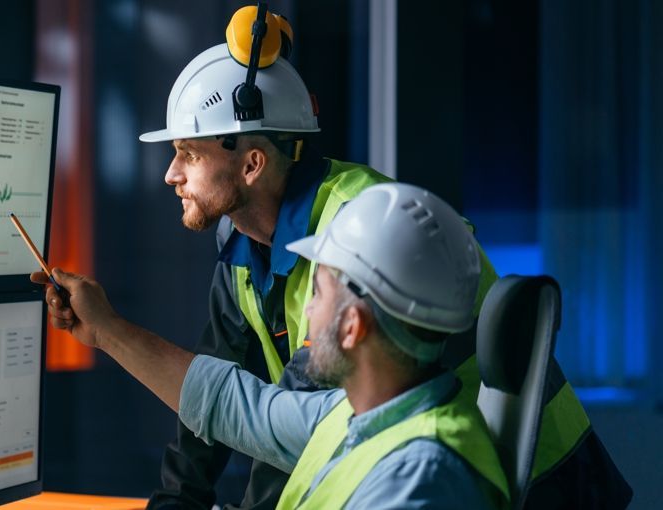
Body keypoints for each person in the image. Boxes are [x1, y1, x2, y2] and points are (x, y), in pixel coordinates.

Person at [130, 4, 630, 509]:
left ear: (252, 164)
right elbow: (218, 393)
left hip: (532, 476)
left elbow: (287, 422)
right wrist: (179, 499)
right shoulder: (241, 244)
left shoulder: (360, 230)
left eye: (189, 154)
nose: (171, 174)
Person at [34, 182, 511, 509]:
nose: (305, 312)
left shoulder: (420, 479)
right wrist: (105, 330)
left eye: (318, 293)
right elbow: (236, 406)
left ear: (352, 327)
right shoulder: (358, 416)